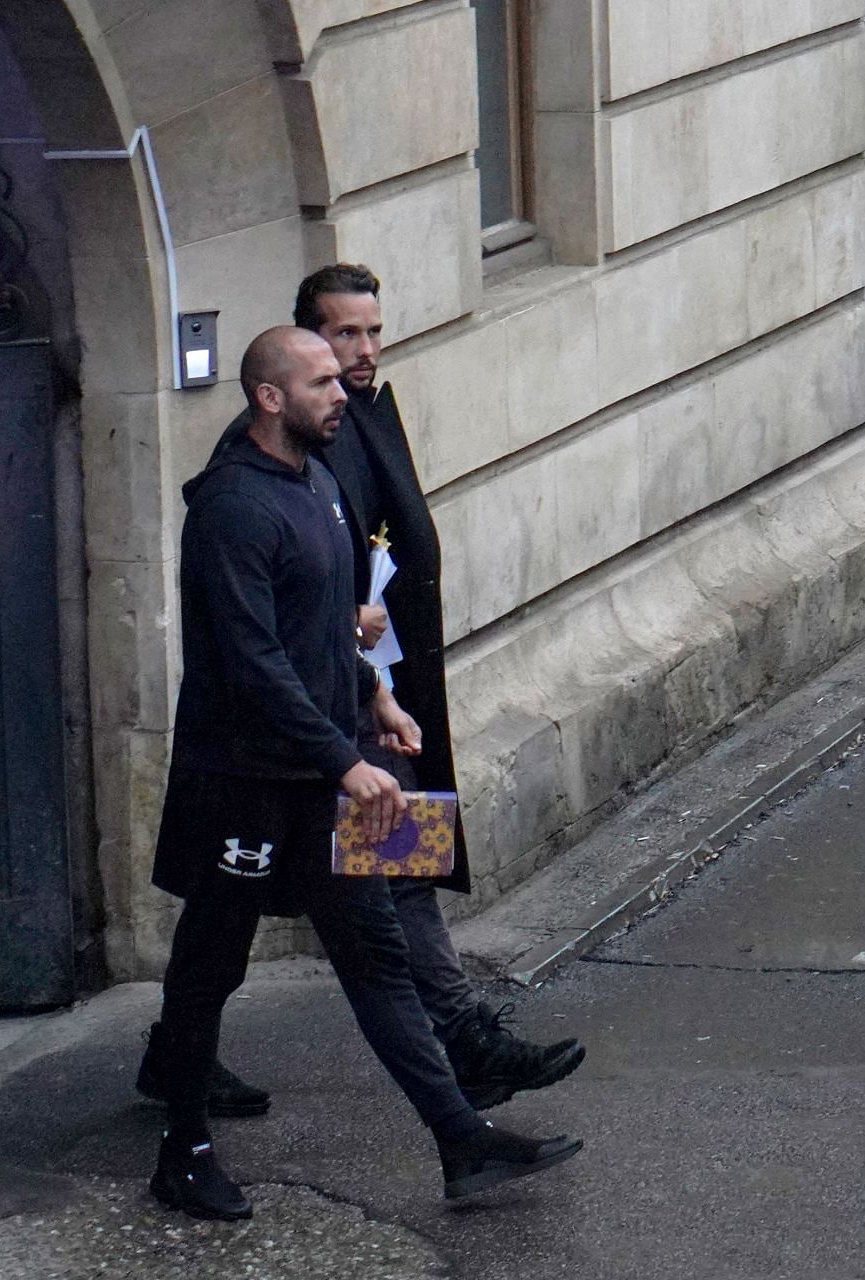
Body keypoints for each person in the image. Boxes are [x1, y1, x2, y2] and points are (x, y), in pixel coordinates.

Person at [141, 327, 581, 1220]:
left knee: (377, 954)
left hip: (321, 778)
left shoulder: (324, 486)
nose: (343, 392)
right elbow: (253, 659)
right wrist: (348, 762)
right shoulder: (231, 508)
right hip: (244, 784)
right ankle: (182, 1152)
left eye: (341, 380)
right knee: (208, 966)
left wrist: (375, 698)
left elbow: (325, 624)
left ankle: (462, 1142)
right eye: (321, 381)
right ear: (269, 397)